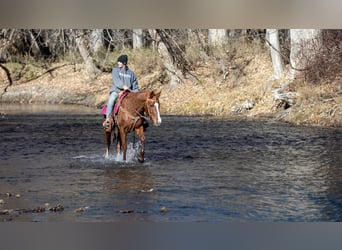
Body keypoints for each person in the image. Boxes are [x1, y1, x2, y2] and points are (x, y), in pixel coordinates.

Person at [103, 54, 139, 128]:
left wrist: (136, 93)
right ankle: (108, 119)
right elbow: (116, 81)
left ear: (124, 63)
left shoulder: (131, 73)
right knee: (111, 100)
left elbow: (135, 86)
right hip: (116, 91)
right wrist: (123, 86)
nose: (118, 63)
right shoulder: (115, 70)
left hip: (128, 93)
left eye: (120, 62)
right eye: (118, 61)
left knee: (140, 103)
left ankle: (142, 121)